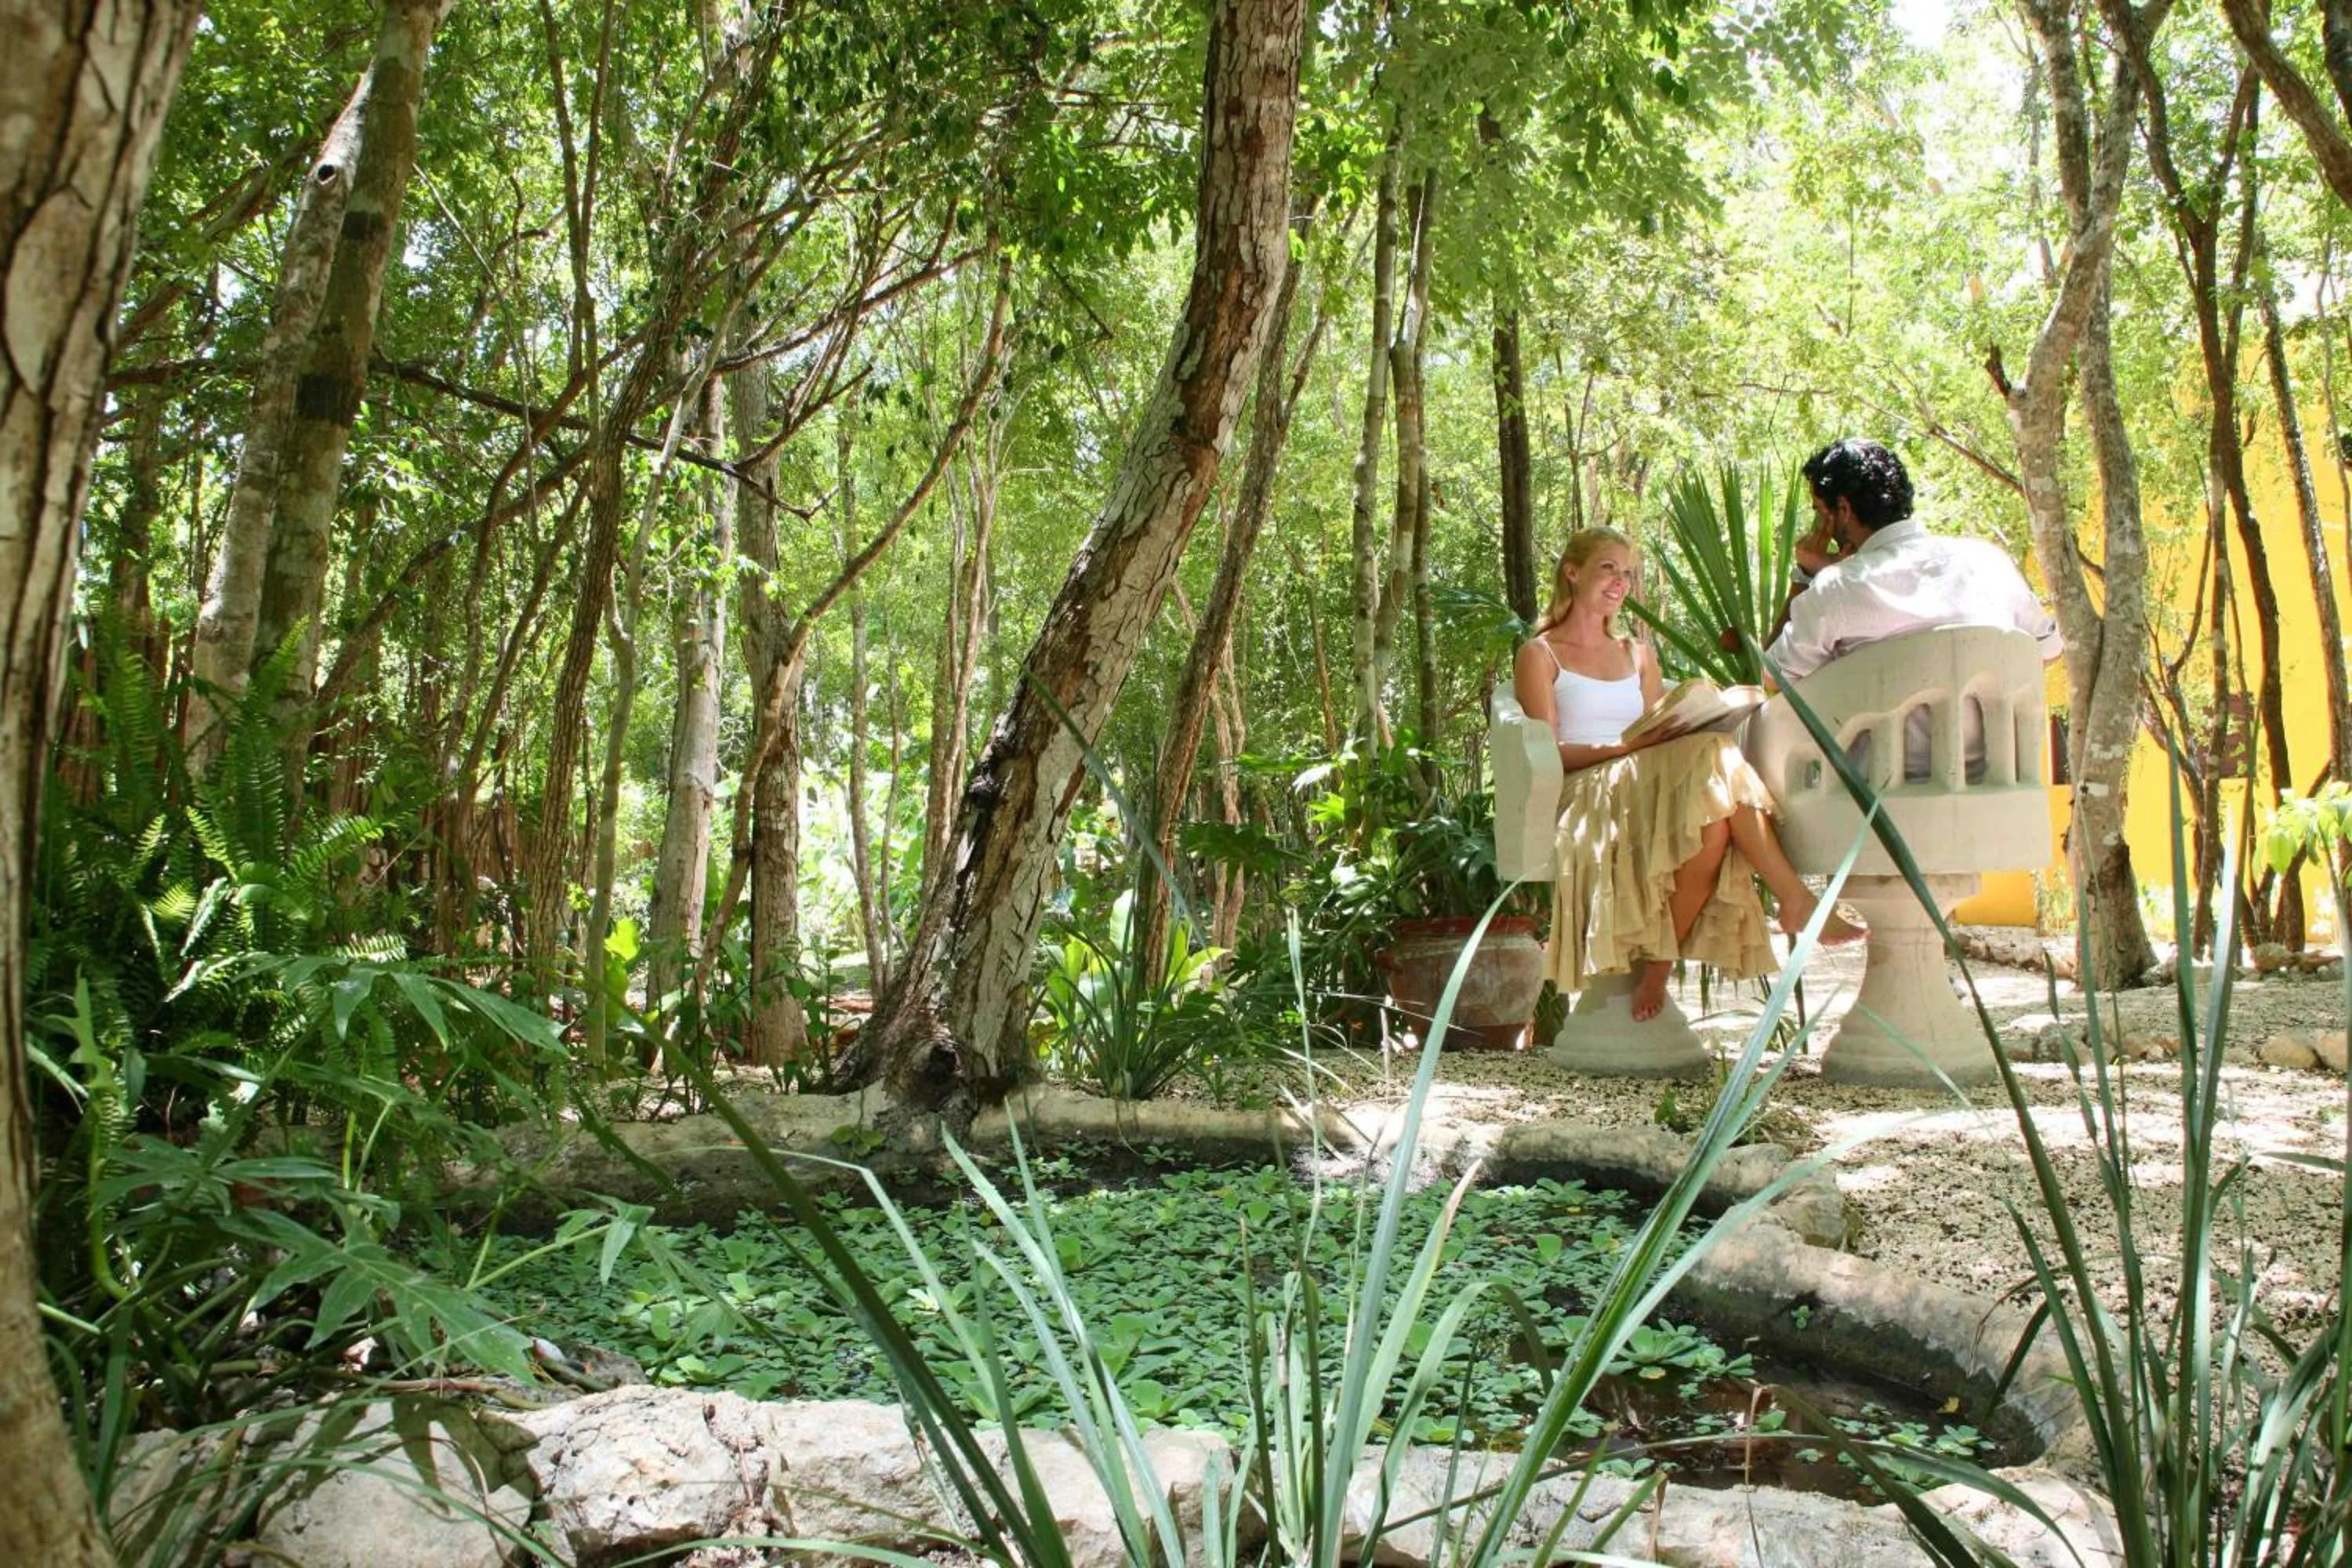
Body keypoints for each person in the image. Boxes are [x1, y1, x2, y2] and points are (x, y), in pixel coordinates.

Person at [1513, 527, 1863, 1025]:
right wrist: (1627, 747)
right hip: (1586, 790)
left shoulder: (1637, 652)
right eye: (1608, 568)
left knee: (1714, 823)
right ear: (1573, 572)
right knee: (1716, 757)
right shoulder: (1541, 653)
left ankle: (1662, 964)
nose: (1620, 582)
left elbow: (1660, 726)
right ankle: (1796, 899)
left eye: (1627, 573)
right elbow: (1548, 755)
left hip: (1646, 779)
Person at [1765, 438, 2063, 779]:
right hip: (1998, 791)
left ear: (1843, 509)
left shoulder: (1837, 587)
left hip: (1877, 800)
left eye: (1820, 512)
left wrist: (1805, 575)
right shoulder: (1989, 563)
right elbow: (2049, 649)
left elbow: (1774, 676)